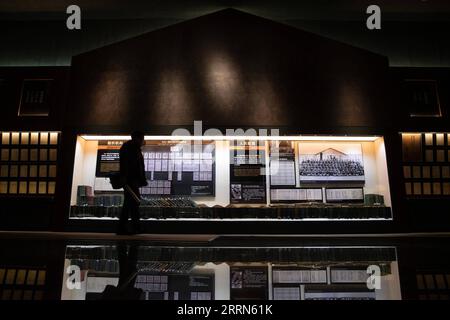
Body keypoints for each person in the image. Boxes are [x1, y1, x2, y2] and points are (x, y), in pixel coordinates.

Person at [117, 131, 147, 235]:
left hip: (132, 180)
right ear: (136, 138)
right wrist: (125, 178)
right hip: (130, 180)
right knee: (130, 203)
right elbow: (126, 165)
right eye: (142, 138)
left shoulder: (133, 148)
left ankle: (134, 227)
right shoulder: (129, 148)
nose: (143, 141)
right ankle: (124, 228)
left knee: (133, 203)